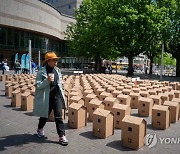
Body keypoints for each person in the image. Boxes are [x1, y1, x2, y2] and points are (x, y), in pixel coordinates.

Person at [33, 52, 68, 146]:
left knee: (58, 116)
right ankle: (40, 129)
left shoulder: (57, 70)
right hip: (47, 97)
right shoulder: (41, 72)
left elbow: (60, 81)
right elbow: (38, 85)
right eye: (54, 60)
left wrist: (62, 87)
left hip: (57, 97)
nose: (56, 61)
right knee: (44, 116)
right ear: (48, 61)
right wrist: (47, 80)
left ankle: (62, 136)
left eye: (56, 60)